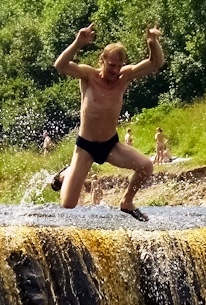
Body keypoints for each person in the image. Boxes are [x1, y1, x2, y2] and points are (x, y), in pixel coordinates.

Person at [52, 23, 165, 221]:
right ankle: (64, 175)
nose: (114, 70)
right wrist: (78, 42)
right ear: (102, 60)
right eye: (111, 65)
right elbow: (60, 65)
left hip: (110, 144)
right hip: (86, 147)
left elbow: (156, 63)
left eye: (118, 66)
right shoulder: (89, 75)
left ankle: (127, 202)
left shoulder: (125, 76)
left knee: (146, 166)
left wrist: (152, 42)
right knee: (68, 204)